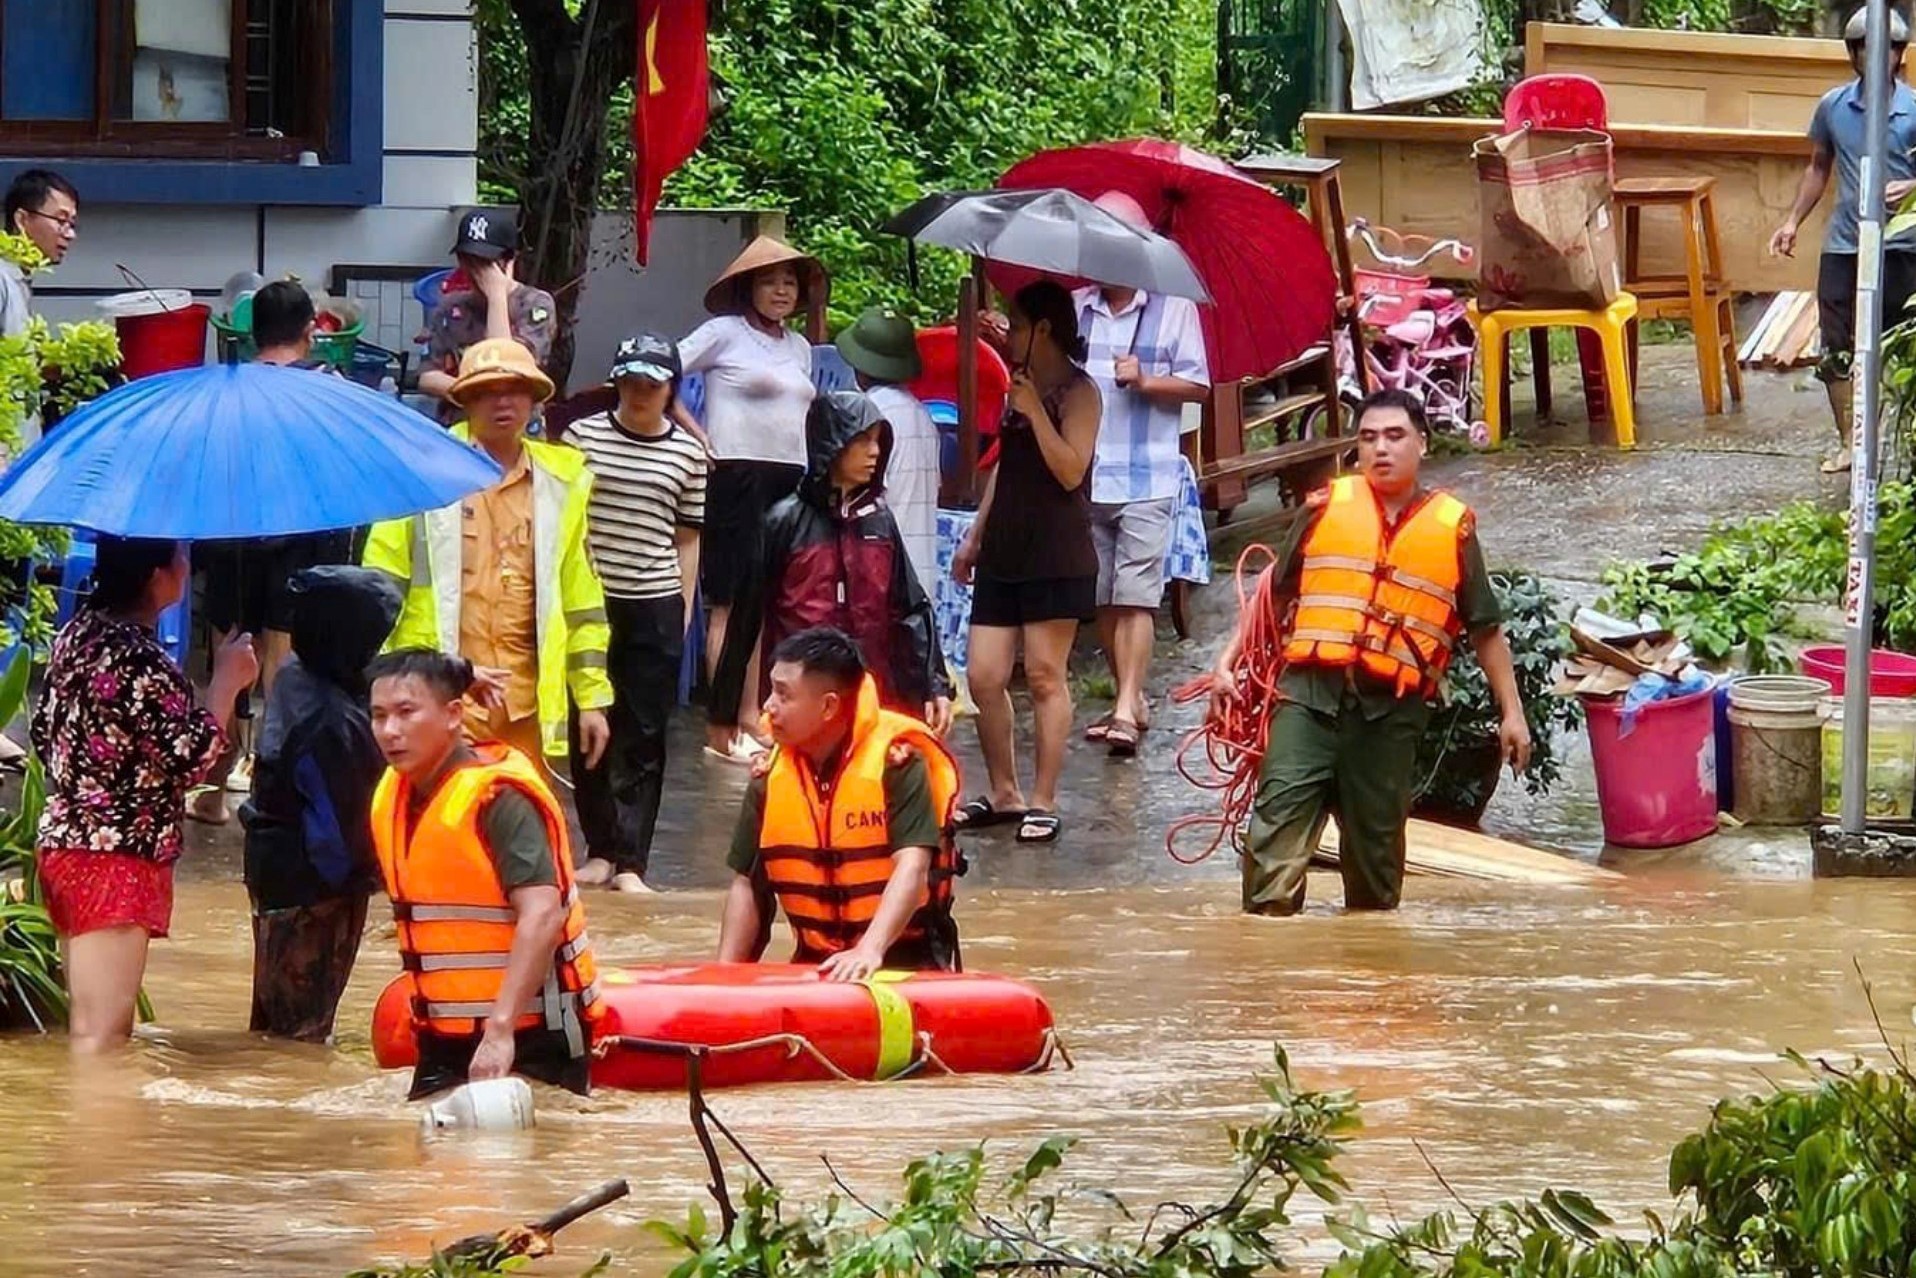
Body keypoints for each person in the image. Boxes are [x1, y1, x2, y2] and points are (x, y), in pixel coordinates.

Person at [1211, 389, 1532, 916]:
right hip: (1309, 699)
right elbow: (1276, 594)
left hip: (1389, 717)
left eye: (1394, 436)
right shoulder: (1324, 510)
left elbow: (1485, 629)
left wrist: (1512, 715)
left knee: (1375, 883)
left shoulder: (1454, 528)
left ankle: (1370, 987)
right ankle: (1269, 978)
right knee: (1272, 849)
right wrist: (1227, 662)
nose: (1380, 448)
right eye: (1368, 438)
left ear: (1422, 444)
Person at [362, 338, 615, 879]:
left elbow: (581, 599)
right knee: (437, 833)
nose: (503, 404)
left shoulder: (563, 483)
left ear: (533, 401)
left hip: (523, 697)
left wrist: (591, 699)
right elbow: (379, 590)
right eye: (487, 393)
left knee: (523, 838)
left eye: (516, 392)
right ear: (466, 402)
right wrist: (395, 684)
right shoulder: (421, 476)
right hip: (441, 692)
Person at [30, 537, 258, 1054]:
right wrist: (225, 684)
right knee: (101, 1039)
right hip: (114, 858)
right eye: (180, 556)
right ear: (158, 575)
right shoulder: (139, 660)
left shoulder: (76, 634)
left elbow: (45, 734)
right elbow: (190, 758)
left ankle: (93, 1134)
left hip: (69, 843)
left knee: (94, 1027)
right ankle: (99, 1135)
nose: (186, 565)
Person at [367, 649, 602, 1098]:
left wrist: (500, 1030)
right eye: (379, 716)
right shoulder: (395, 792)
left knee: (520, 1160)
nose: (390, 731)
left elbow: (543, 915)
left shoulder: (500, 798)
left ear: (454, 715)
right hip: (441, 1033)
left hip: (530, 1032)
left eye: (405, 713)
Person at [190, 281, 355, 824]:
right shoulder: (332, 388)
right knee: (285, 667)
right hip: (304, 539)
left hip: (230, 536)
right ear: (312, 329)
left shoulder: (225, 389)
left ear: (248, 333)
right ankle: (276, 787)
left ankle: (214, 786)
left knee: (228, 657)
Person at [716, 628, 962, 979]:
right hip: (815, 963)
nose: (768, 706)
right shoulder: (769, 779)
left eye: (783, 695)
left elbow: (913, 868)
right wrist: (723, 975)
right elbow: (746, 886)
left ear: (829, 705)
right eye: (771, 690)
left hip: (905, 962)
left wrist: (868, 950)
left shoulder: (898, 764)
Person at [709, 390, 952, 740]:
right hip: (800, 702)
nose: (875, 451)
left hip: (870, 699)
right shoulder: (784, 521)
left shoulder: (879, 522)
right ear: (833, 444)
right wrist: (723, 715)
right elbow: (745, 620)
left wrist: (934, 686)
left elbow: (911, 609)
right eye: (863, 440)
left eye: (878, 441)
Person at [951, 281, 1101, 845]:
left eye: (1016, 325)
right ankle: (1004, 788)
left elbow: (1071, 471)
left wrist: (1036, 411)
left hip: (1057, 549)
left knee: (1043, 675)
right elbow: (1004, 470)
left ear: (1042, 329)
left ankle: (1043, 797)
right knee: (984, 675)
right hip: (1005, 547)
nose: (1008, 334)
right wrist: (975, 534)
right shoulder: (1018, 386)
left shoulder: (1079, 393)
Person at [563, 334, 708, 894]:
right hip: (591, 600)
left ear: (671, 388)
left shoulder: (688, 454)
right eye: (630, 381)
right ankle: (599, 847)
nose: (640, 392)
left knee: (645, 732)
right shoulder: (582, 437)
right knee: (591, 723)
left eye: (652, 383)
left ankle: (632, 861)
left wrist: (684, 607)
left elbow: (689, 538)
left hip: (655, 599)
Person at [673, 235, 824, 764]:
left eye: (788, 281)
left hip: (790, 479)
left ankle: (753, 714)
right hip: (736, 474)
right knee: (731, 601)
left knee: (767, 601)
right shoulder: (723, 333)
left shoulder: (800, 346)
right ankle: (725, 720)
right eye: (769, 280)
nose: (781, 290)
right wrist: (696, 434)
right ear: (748, 288)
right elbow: (661, 370)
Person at [1072, 192, 1211, 757]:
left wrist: (1148, 380)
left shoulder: (1172, 307)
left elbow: (1199, 385)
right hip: (1089, 473)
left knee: (1136, 596)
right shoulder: (1078, 308)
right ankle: (1130, 698)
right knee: (1105, 596)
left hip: (1148, 475)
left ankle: (1128, 703)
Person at [239, 566, 402, 1043]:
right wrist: (375, 880)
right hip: (313, 888)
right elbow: (343, 831)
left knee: (275, 1019)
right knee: (300, 1036)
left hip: (275, 868)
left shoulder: (297, 674)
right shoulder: (333, 723)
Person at [1768, 6, 1916, 474]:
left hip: (1901, 245)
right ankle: (1851, 443)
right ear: (1852, 53)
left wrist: (1912, 187)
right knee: (1835, 347)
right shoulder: (1833, 106)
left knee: (1905, 346)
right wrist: (1792, 220)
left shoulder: (1914, 109)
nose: (1877, 57)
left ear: (1900, 54)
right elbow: (1818, 166)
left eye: (1888, 49)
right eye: (1866, 49)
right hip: (1845, 244)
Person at [835, 306, 940, 596]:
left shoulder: (867, 415)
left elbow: (852, 495)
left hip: (878, 570)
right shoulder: (923, 416)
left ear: (860, 366)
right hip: (919, 571)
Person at [418, 209, 557, 411]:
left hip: (517, 425)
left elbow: (504, 367)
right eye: (467, 259)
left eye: (484, 262)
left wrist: (497, 296)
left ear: (508, 260)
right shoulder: (450, 306)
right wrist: (472, 393)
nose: (476, 271)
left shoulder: (536, 305)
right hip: (460, 426)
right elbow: (427, 376)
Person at [1, 168, 78, 339]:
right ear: (22, 220)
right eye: (60, 221)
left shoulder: (18, 277)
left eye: (71, 224)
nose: (70, 234)